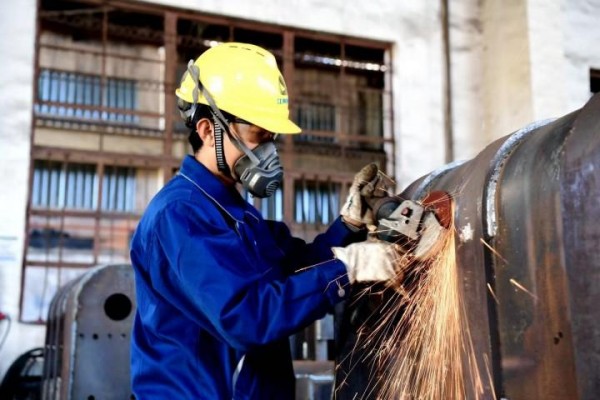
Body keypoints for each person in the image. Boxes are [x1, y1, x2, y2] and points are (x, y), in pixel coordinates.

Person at [129, 42, 400, 399]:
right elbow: (246, 318)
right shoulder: (181, 215)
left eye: (271, 139)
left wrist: (348, 226)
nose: (268, 153)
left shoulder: (235, 212)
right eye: (258, 137)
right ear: (208, 130)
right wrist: (347, 270)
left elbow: (295, 270)